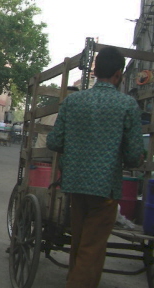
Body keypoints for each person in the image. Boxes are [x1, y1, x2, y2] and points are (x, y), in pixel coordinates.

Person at [46, 46, 144, 288]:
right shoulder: (127, 105)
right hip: (105, 190)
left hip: (75, 185)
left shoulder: (73, 101)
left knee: (80, 244)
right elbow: (133, 155)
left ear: (96, 70)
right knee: (92, 249)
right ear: (119, 74)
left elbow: (54, 141)